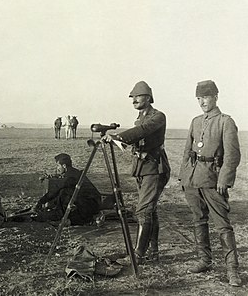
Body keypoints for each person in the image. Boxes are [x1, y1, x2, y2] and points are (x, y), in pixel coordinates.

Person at [179, 80, 242, 287]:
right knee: (198, 220)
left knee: (223, 225)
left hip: (214, 181)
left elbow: (232, 156)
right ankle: (205, 260)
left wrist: (224, 180)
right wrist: (184, 177)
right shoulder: (196, 121)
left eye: (205, 97)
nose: (202, 102)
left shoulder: (226, 122)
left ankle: (232, 270)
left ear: (216, 96)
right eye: (198, 98)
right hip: (194, 180)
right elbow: (188, 151)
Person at [104, 81, 170, 263]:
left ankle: (138, 255)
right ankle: (153, 252)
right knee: (150, 210)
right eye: (132, 97)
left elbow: (143, 131)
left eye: (138, 96)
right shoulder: (139, 118)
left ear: (148, 98)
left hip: (155, 169)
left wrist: (120, 136)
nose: (134, 100)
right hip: (142, 169)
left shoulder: (157, 117)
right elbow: (137, 137)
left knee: (143, 210)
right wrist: (115, 140)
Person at [32, 153, 102, 225]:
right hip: (91, 202)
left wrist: (40, 202)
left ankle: (60, 215)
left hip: (91, 205)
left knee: (63, 192)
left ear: (64, 166)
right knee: (64, 192)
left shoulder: (70, 177)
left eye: (58, 166)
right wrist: (50, 177)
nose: (57, 168)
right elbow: (60, 179)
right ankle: (57, 211)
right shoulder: (73, 172)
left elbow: (55, 190)